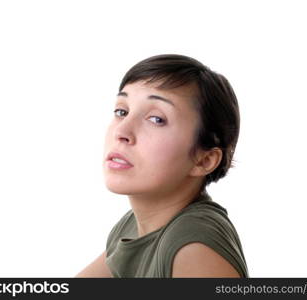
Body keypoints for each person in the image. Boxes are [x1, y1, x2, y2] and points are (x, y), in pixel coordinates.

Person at [76, 54, 249, 278]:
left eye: (156, 119)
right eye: (122, 111)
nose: (121, 132)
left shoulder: (193, 247)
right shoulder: (132, 226)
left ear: (204, 160)